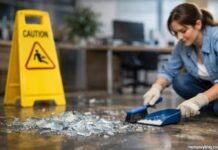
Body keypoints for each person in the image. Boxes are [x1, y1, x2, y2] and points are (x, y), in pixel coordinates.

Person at [143, 3, 218, 118]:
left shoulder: (216, 37)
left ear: (198, 24)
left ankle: (208, 105)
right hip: (210, 86)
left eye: (183, 31)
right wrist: (156, 87)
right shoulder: (182, 46)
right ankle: (210, 105)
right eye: (175, 33)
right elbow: (168, 72)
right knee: (180, 81)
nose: (179, 37)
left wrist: (198, 101)